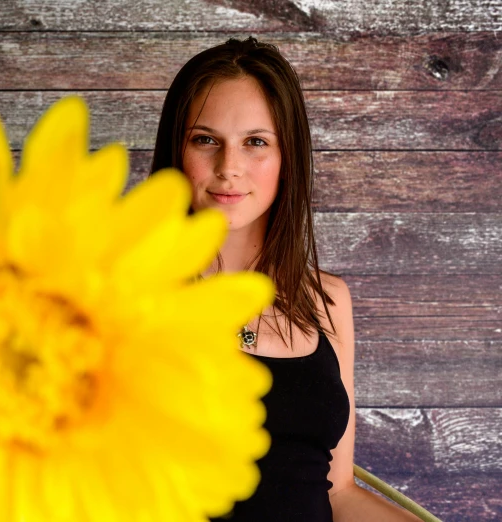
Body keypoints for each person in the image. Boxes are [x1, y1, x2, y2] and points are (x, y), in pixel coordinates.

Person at [151, 37, 420, 521]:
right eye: (205, 139)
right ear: (177, 150)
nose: (229, 168)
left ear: (287, 156)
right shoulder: (125, 294)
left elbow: (337, 493)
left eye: (256, 142)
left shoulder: (327, 301)